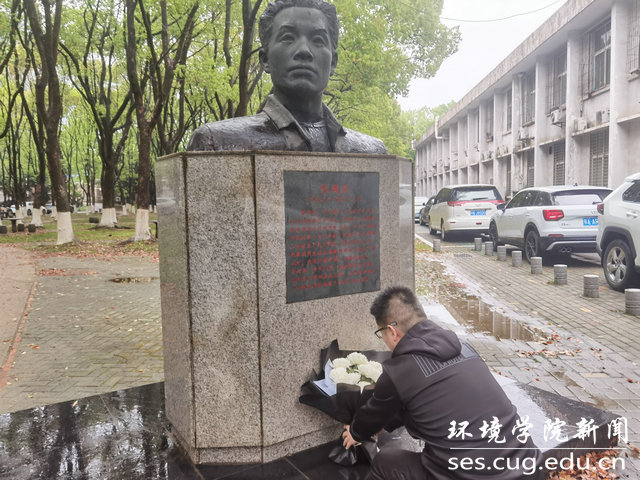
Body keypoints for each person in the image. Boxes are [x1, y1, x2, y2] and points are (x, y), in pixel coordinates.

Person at [342, 286, 542, 480]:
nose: (384, 340)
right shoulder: (466, 348)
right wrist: (383, 425)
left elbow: (375, 414)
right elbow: (430, 400)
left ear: (392, 331)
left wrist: (356, 432)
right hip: (529, 465)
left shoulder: (399, 371)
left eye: (381, 333)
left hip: (468, 474)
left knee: (385, 461)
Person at [187, 0, 387, 154]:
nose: (304, 51)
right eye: (288, 38)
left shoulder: (372, 152)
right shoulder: (216, 142)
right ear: (265, 59)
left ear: (333, 62)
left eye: (318, 40)